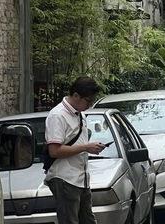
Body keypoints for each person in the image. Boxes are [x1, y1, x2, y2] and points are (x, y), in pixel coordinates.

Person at [45, 76, 106, 224]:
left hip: (81, 178)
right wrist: (86, 147)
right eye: (88, 101)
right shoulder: (57, 115)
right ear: (76, 95)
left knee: (88, 220)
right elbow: (54, 151)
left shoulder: (79, 114)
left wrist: (90, 147)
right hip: (65, 177)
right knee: (69, 220)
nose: (90, 105)